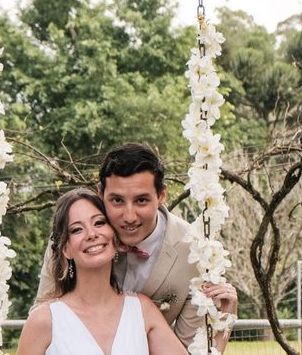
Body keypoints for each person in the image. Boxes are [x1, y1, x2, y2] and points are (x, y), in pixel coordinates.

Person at [34, 143, 237, 350]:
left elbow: (190, 349)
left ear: (161, 196)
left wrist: (225, 321)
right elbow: (44, 318)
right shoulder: (70, 239)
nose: (129, 217)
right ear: (101, 192)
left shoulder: (194, 252)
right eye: (117, 200)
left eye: (141, 200)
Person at [18, 188, 187, 354]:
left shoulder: (142, 309)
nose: (91, 234)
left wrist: (214, 302)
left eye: (99, 222)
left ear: (115, 236)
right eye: (77, 229)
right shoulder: (44, 320)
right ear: (66, 249)